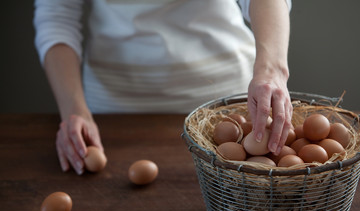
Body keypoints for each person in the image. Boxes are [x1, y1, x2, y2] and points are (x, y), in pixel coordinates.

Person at [34, 0, 293, 175]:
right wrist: (73, 110)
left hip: (224, 98)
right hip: (113, 109)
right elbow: (57, 18)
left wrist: (272, 70)